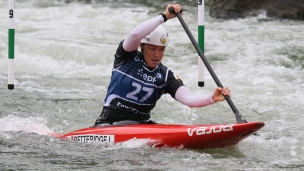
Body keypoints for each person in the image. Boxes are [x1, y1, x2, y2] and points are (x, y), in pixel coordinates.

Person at [94, 4, 231, 126]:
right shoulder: (125, 57)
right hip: (109, 124)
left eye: (161, 49)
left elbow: (188, 99)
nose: (157, 55)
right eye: (152, 49)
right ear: (142, 46)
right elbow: (135, 35)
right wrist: (164, 17)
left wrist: (212, 98)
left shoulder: (164, 76)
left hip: (141, 126)